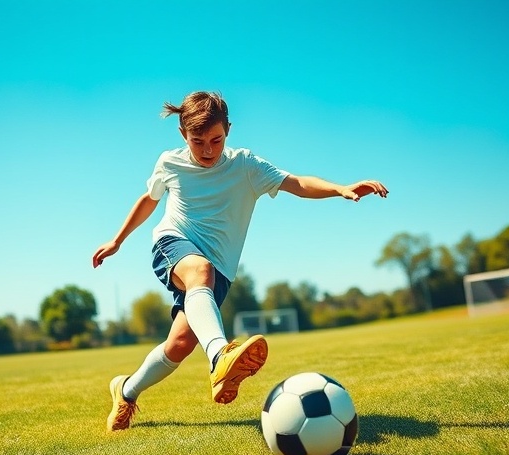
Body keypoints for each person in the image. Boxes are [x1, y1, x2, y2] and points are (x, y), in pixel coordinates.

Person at [92, 91, 388, 432]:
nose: (207, 150)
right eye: (197, 141)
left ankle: (126, 391)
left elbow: (296, 182)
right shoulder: (170, 163)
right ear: (182, 135)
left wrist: (340, 188)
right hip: (172, 243)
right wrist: (117, 240)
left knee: (181, 343)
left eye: (215, 140)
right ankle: (221, 356)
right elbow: (150, 199)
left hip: (220, 269)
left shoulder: (246, 166)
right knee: (199, 270)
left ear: (228, 130)